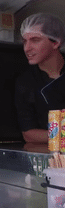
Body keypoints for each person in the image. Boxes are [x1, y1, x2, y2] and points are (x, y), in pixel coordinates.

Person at [15, 13, 65, 143]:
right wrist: (62, 136)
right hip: (51, 157)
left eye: (35, 40)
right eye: (25, 41)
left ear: (56, 42)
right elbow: (29, 133)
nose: (27, 48)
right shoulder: (25, 82)